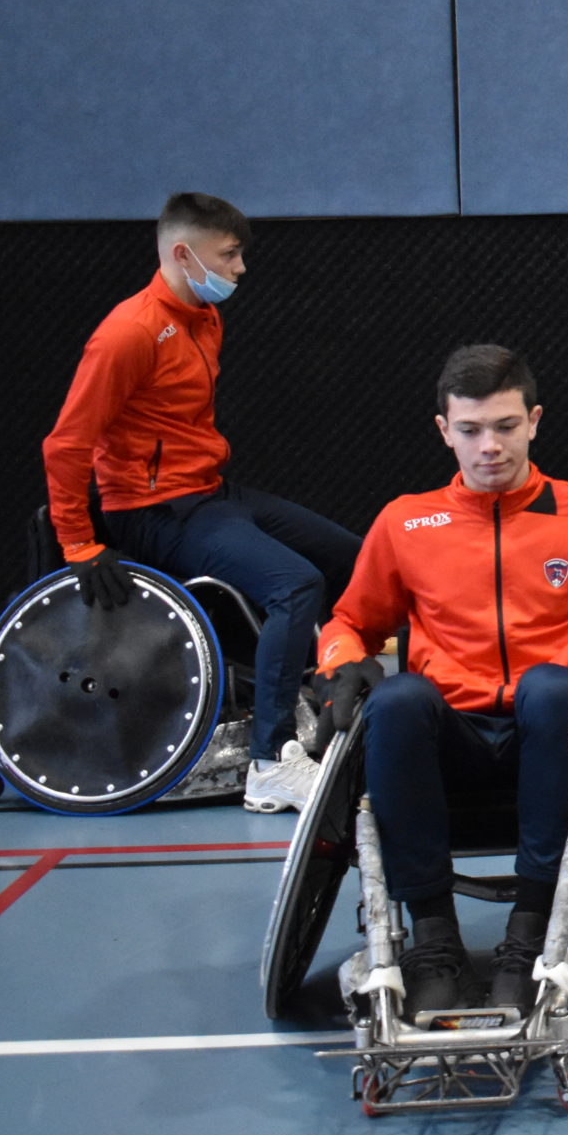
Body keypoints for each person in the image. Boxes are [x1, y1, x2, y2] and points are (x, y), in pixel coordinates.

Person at [309, 345, 568, 1015]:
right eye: (470, 430)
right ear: (444, 429)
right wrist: (338, 664)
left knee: (554, 689)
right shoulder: (406, 523)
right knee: (398, 698)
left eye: (504, 425)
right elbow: (350, 621)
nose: (489, 445)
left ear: (534, 421)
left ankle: (529, 939)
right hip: (449, 747)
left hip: (556, 735)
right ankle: (433, 943)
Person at [39, 191, 363, 816]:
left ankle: (336, 700)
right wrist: (78, 541)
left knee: (357, 557)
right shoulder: (126, 334)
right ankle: (271, 763)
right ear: (184, 254)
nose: (240, 268)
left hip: (210, 495)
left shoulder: (203, 316)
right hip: (153, 512)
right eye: (230, 254)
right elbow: (66, 444)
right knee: (295, 585)